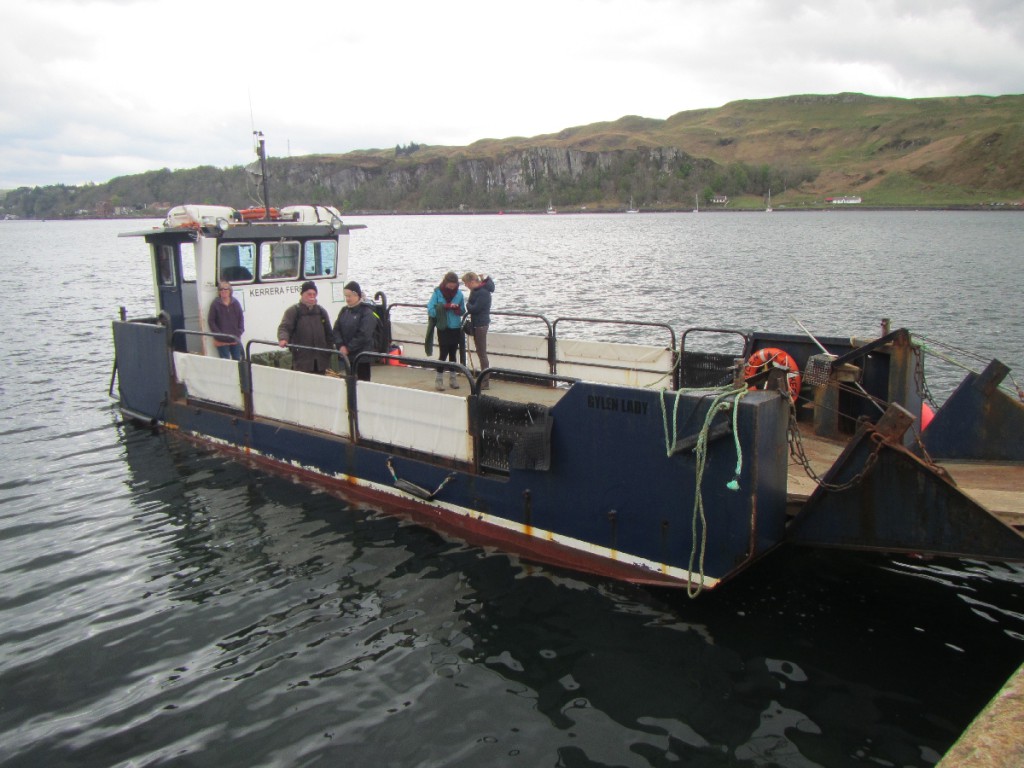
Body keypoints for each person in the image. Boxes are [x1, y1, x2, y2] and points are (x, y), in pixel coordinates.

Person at [277, 280, 333, 373]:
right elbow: (284, 327)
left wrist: (328, 351)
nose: (312, 297)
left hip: (321, 360)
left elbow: (329, 333)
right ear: (302, 294)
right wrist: (283, 339)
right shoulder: (293, 311)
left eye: (314, 294)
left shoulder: (321, 311)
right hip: (302, 360)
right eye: (309, 294)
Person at [426, 271, 466, 390]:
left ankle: (453, 379)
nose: (452, 286)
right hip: (443, 327)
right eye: (450, 284)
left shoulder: (459, 294)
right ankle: (439, 379)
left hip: (455, 326)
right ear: (445, 282)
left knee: (453, 353)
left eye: (454, 284)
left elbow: (463, 310)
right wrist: (443, 308)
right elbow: (430, 309)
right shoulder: (438, 293)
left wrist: (458, 309)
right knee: (443, 353)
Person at [332, 281, 377, 381]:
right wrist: (341, 345)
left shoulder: (367, 312)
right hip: (347, 355)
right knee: (350, 380)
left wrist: (348, 348)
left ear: (357, 295)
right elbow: (336, 329)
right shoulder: (344, 310)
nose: (347, 299)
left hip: (362, 356)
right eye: (346, 296)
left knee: (363, 381)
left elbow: (364, 334)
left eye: (350, 296)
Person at [461, 271, 495, 388]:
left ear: (471, 281)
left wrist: (468, 306)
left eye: (466, 283)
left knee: (482, 353)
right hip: (478, 323)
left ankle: (485, 380)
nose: (466, 286)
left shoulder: (483, 293)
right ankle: (484, 379)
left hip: (481, 324)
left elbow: (474, 308)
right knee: (481, 352)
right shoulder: (478, 291)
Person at [208, 280, 245, 360]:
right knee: (225, 361)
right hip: (221, 340)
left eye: (226, 289)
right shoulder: (215, 304)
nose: (223, 291)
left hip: (235, 338)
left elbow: (241, 318)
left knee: (237, 359)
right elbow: (211, 321)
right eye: (221, 289)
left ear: (230, 291)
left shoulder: (236, 303)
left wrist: (239, 332)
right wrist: (219, 335)